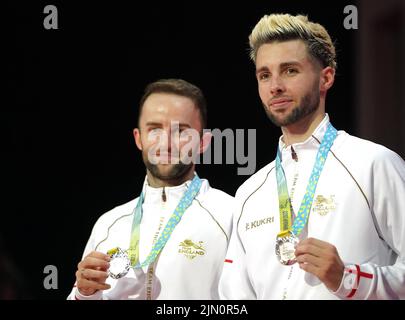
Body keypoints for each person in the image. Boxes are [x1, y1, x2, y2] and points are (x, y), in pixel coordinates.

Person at [219, 13, 405, 299]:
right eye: (264, 75)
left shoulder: (373, 165)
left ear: (325, 77)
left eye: (290, 70)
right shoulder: (249, 193)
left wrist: (350, 279)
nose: (275, 86)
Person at [68, 79, 233, 300]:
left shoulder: (230, 215)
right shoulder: (109, 224)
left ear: (203, 142)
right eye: (155, 129)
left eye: (180, 131)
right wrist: (85, 294)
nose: (165, 143)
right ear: (139, 138)